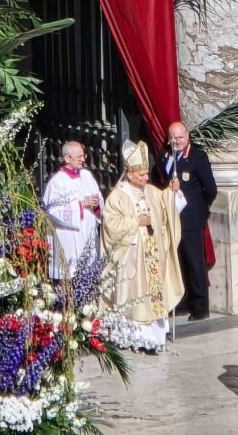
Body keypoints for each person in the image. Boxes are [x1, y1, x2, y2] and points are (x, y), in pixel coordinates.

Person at [101, 140, 185, 354]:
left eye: (147, 174)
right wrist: (135, 222)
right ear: (130, 174)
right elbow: (111, 227)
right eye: (142, 175)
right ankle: (136, 338)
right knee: (136, 300)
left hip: (153, 256)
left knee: (154, 297)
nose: (147, 179)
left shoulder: (152, 192)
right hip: (132, 258)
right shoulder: (117, 197)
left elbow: (167, 210)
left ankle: (155, 338)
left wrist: (172, 192)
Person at [153, 120, 217, 320]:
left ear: (187, 136)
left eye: (180, 137)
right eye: (173, 138)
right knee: (177, 260)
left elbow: (211, 189)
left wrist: (200, 209)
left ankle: (200, 307)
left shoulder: (198, 157)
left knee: (194, 262)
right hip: (172, 217)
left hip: (191, 219)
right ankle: (180, 301)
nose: (177, 141)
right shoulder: (164, 156)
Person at [42, 141, 104, 280]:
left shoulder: (87, 176)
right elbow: (52, 212)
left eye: (84, 156)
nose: (83, 160)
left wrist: (96, 203)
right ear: (67, 158)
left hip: (88, 233)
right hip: (68, 239)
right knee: (70, 279)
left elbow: (98, 197)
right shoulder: (57, 182)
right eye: (79, 157)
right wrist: (81, 204)